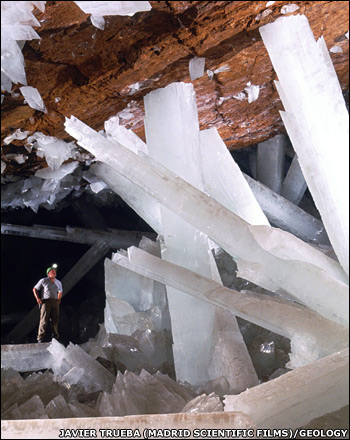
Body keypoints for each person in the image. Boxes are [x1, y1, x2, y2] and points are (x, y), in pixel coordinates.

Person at [33, 265, 63, 343]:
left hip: (55, 302)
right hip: (46, 302)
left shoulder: (58, 282)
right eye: (52, 271)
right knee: (44, 320)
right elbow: (35, 289)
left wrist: (59, 299)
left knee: (55, 320)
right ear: (48, 274)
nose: (54, 272)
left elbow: (60, 291)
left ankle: (55, 337)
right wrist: (38, 299)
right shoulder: (43, 280)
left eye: (55, 271)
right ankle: (40, 338)